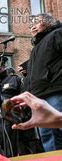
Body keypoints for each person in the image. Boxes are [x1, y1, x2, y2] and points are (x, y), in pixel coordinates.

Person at [25, 13, 62, 151]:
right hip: (38, 96)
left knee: (58, 129)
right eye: (31, 25)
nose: (33, 27)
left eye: (37, 22)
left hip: (55, 91)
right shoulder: (36, 47)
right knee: (46, 134)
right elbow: (30, 77)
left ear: (49, 23)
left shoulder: (57, 34)